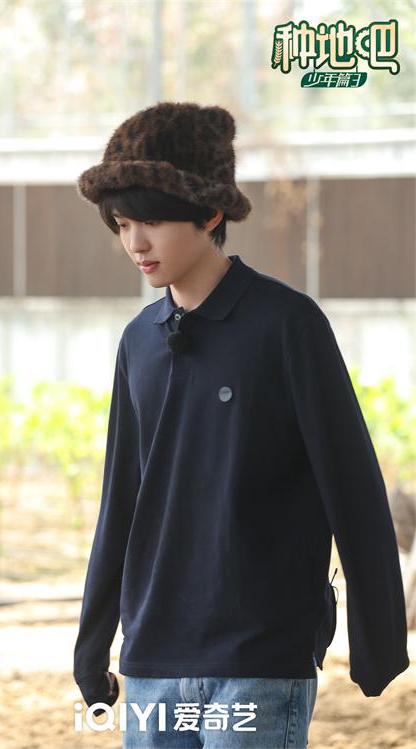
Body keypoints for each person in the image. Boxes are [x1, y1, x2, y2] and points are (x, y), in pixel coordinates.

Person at [72, 101, 409, 748]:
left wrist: (378, 641)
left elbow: (351, 485)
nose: (135, 243)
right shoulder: (138, 342)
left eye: (151, 221)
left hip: (261, 659)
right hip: (151, 662)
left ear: (210, 213)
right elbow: (122, 499)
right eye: (122, 223)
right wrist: (93, 644)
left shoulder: (287, 325)